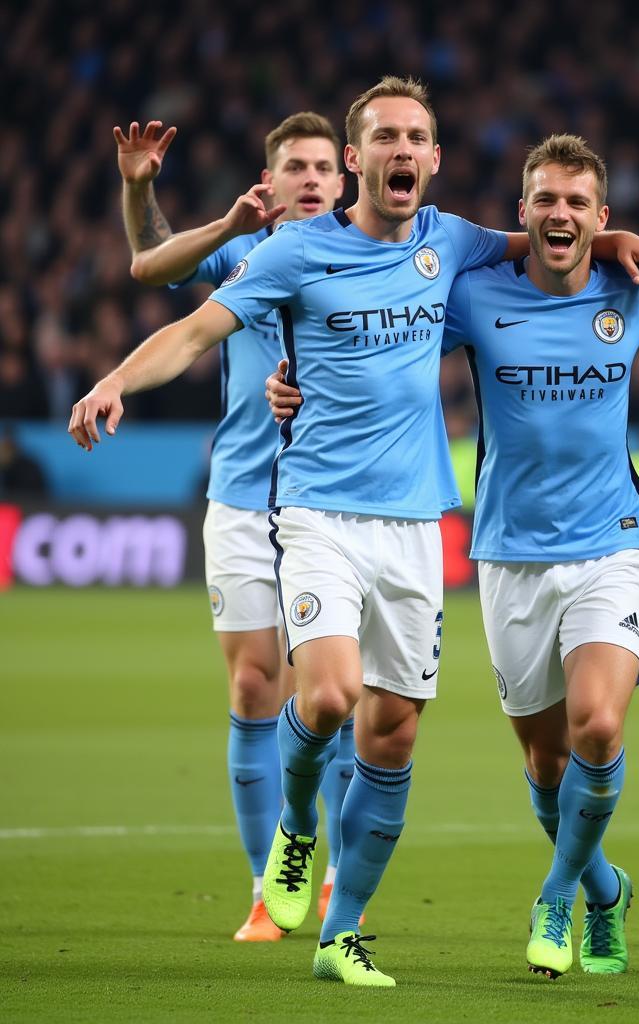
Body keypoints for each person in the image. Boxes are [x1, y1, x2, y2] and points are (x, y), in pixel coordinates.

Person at [70, 76, 639, 987]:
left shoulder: (452, 242)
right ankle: (299, 825)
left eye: (416, 138)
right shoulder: (295, 251)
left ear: (432, 159)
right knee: (329, 695)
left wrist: (615, 235)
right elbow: (195, 330)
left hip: (416, 525)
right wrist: (116, 379)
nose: (401, 151)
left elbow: (545, 247)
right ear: (358, 159)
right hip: (316, 512)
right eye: (384, 136)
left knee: (392, 737)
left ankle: (341, 935)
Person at [267, 134, 639, 979]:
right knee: (544, 763)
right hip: (507, 555)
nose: (560, 214)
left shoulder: (638, 290)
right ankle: (606, 888)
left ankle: (558, 894)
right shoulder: (471, 295)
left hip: (612, 544)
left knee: (599, 727)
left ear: (601, 217)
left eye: (579, 204)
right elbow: (379, 333)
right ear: (523, 211)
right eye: (545, 200)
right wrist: (294, 376)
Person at [113, 113, 354, 942]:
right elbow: (149, 266)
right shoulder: (242, 253)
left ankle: (339, 883)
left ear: (345, 177)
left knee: (335, 698)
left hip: (340, 503)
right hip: (246, 500)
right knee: (256, 690)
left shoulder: (380, 255)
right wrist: (144, 186)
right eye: (296, 165)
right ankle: (266, 889)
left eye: (325, 165)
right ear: (270, 181)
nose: (312, 177)